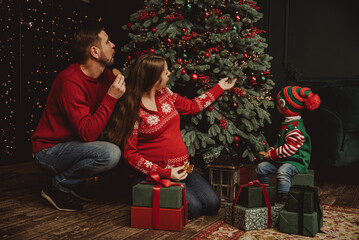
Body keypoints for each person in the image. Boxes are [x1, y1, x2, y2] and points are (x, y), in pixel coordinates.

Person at [107, 53, 236, 219]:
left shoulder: (165, 94)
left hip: (183, 169)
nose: (169, 73)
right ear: (153, 77)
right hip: (158, 176)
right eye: (165, 72)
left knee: (213, 204)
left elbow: (192, 106)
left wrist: (219, 88)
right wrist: (165, 173)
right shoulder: (134, 110)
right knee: (194, 208)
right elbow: (130, 156)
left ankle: (171, 200)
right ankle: (147, 197)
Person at [31, 21, 126, 211]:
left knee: (122, 142)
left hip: (74, 146)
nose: (113, 45)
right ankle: (59, 187)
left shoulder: (106, 77)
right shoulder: (70, 81)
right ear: (95, 52)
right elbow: (87, 134)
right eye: (107, 42)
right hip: (49, 151)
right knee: (110, 153)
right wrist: (111, 97)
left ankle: (75, 186)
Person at [257, 86, 321, 205]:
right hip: (284, 159)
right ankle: (265, 195)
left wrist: (271, 154)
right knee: (262, 167)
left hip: (296, 161)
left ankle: (282, 201)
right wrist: (273, 150)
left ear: (286, 106)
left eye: (279, 103)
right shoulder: (287, 123)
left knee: (283, 171)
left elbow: (290, 149)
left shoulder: (295, 127)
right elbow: (283, 144)